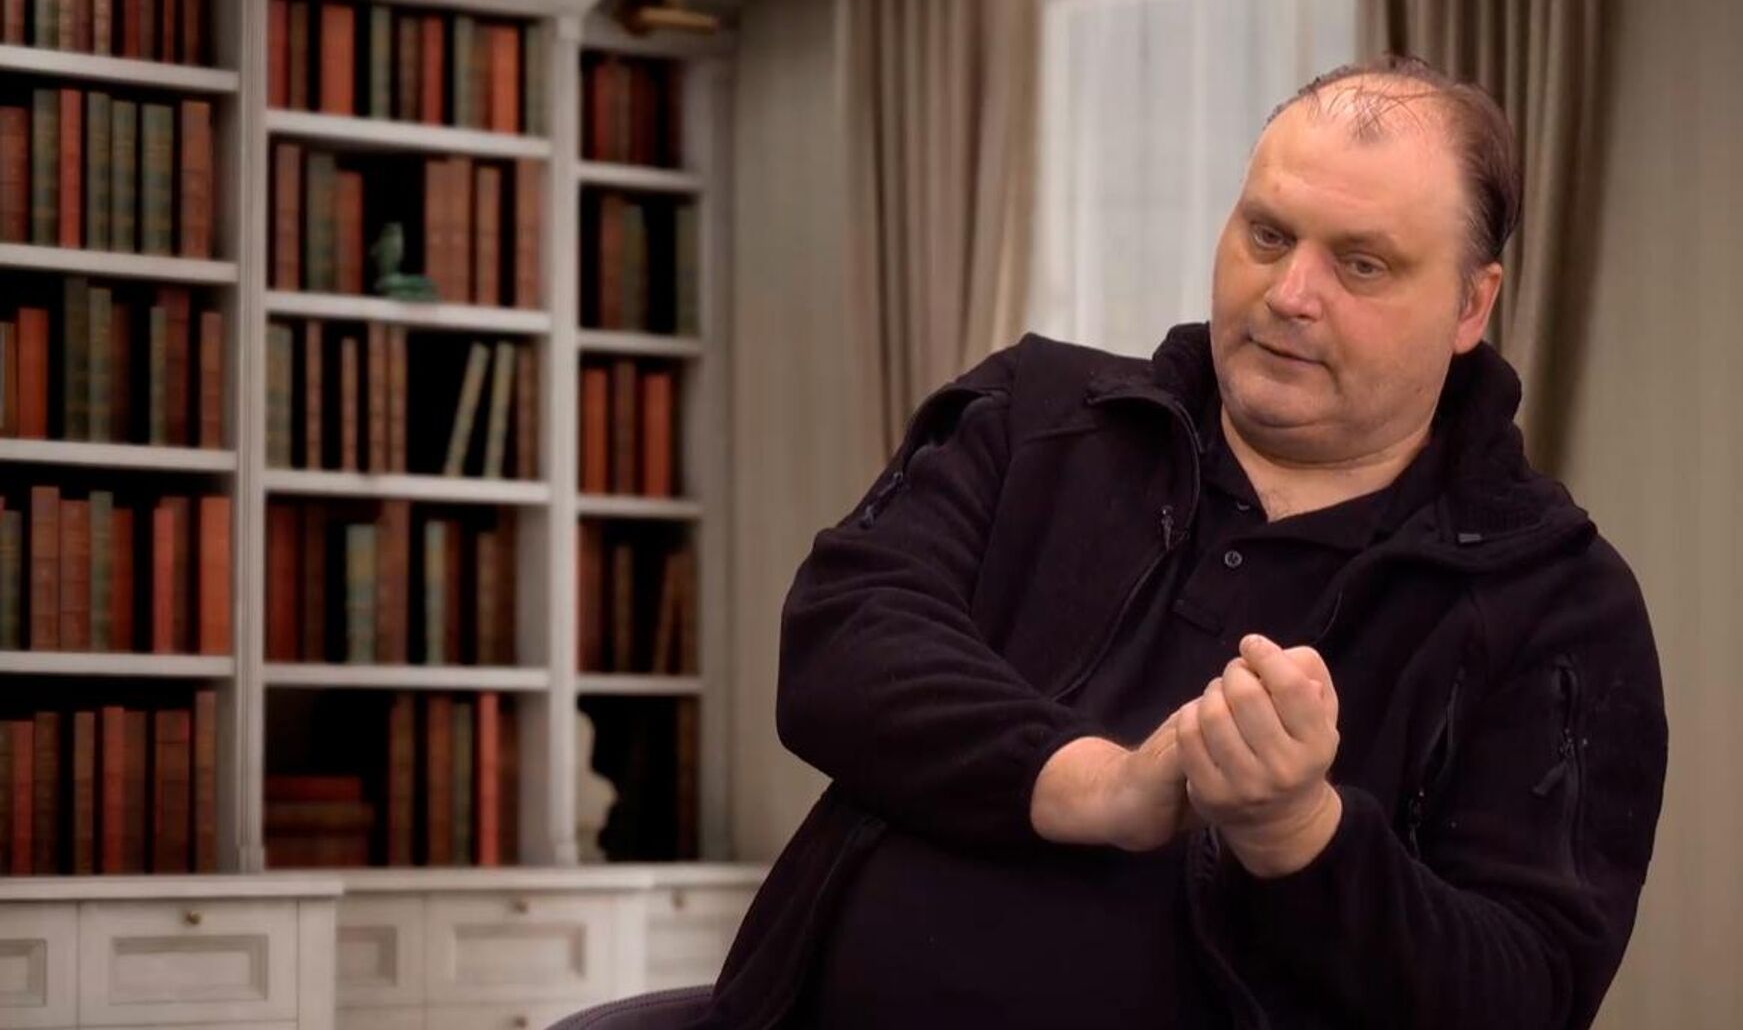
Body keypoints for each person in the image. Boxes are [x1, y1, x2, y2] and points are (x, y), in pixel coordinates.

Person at [696, 53, 1668, 1030]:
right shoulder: (1034, 414)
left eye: (1361, 264)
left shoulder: (1557, 601)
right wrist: (1098, 784)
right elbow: (840, 640)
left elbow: (1525, 991)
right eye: (1268, 234)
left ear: (1470, 305)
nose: (1290, 292)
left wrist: (1301, 835)